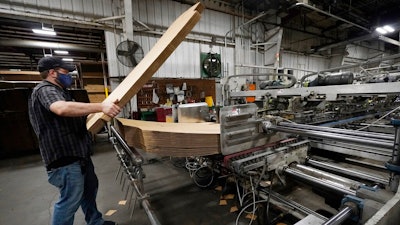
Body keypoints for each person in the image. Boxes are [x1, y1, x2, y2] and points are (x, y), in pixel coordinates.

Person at [28, 56, 121, 225]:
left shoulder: (62, 92)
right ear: (52, 72)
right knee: (69, 201)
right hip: (64, 158)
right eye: (65, 72)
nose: (70, 75)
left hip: (79, 154)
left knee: (88, 192)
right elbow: (61, 109)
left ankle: (95, 222)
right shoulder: (45, 89)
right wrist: (101, 106)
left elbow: (72, 117)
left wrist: (94, 115)